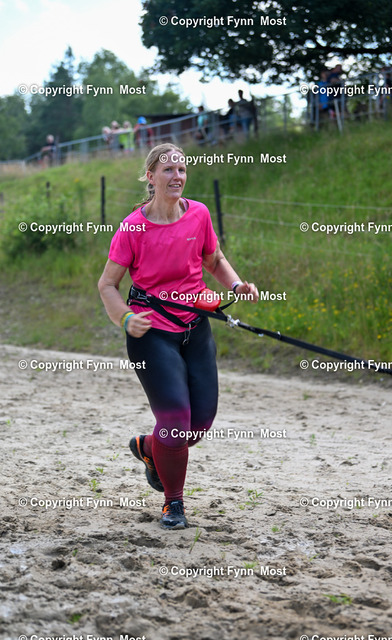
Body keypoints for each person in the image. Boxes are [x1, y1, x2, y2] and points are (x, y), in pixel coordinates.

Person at [98, 144, 259, 530]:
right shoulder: (132, 227)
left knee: (198, 423)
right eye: (168, 169)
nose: (177, 176)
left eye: (182, 169)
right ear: (150, 177)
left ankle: (149, 448)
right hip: (151, 332)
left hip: (195, 327)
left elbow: (214, 260)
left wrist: (236, 286)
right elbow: (107, 285)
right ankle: (174, 503)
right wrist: (125, 318)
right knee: (173, 420)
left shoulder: (199, 214)